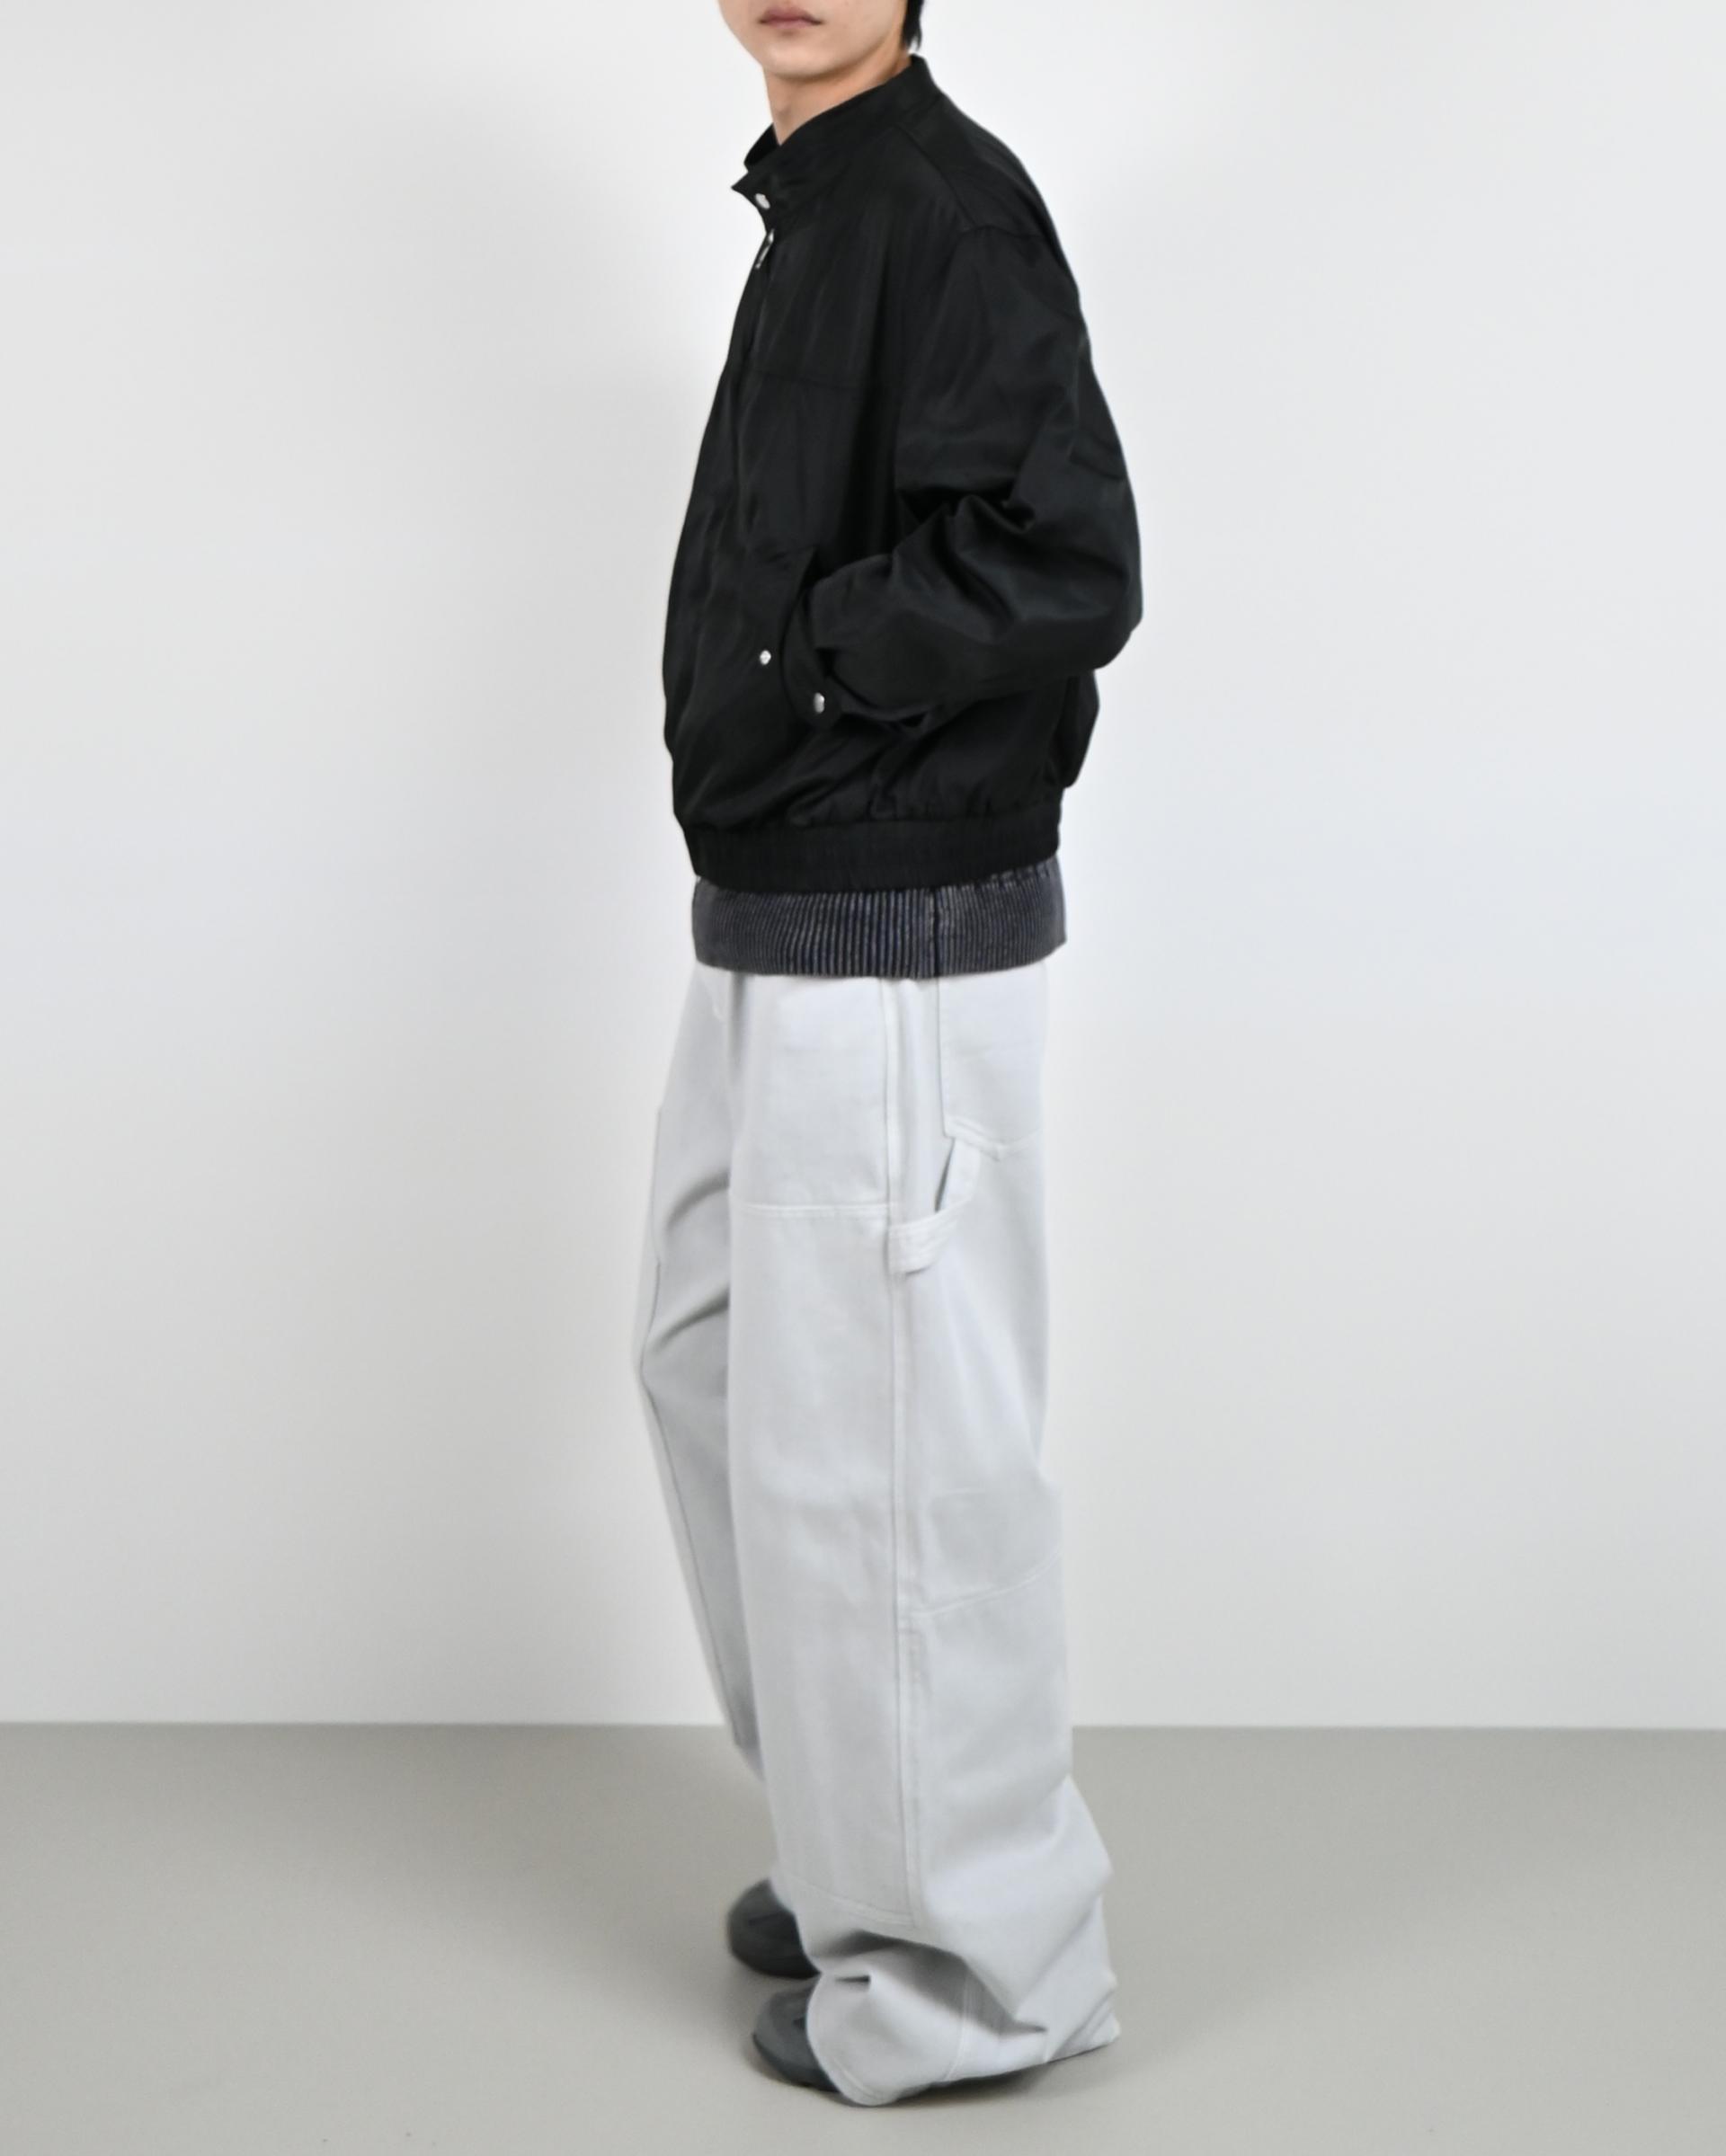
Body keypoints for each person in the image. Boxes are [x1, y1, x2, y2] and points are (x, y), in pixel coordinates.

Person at [630, 0, 1143, 2106]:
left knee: (890, 1464)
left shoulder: (940, 202)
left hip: (900, 926)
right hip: (781, 898)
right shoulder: (823, 203)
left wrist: (806, 658)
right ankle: (866, 1838)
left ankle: (969, 1975)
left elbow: (1069, 560)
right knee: (709, 1365)